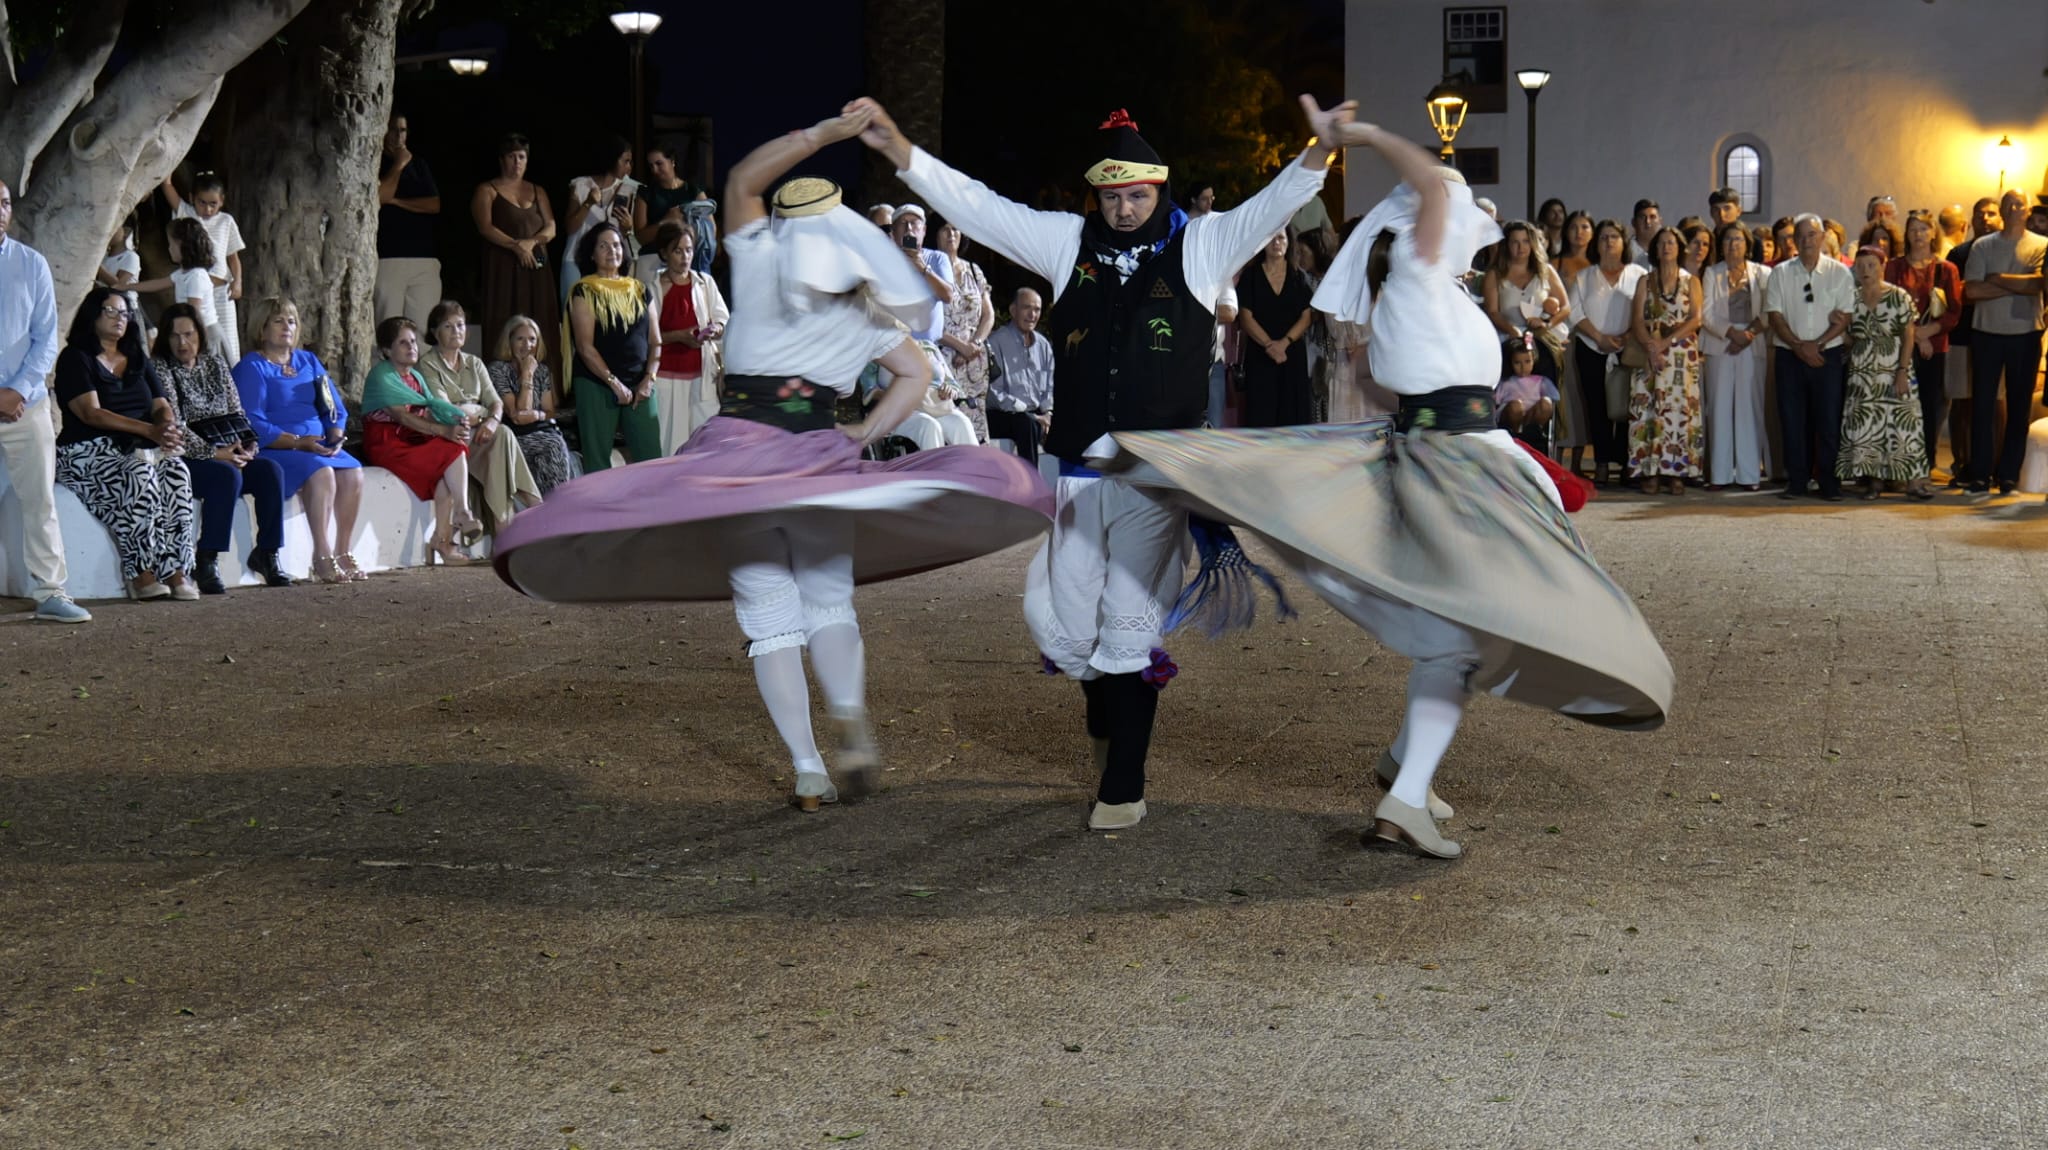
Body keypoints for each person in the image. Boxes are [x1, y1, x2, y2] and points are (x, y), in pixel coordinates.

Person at [1112, 119, 1672, 859]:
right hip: (1457, 466)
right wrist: (1373, 137)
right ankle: (1404, 797)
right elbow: (1427, 188)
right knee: (1466, 637)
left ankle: (1406, 766)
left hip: (1442, 454)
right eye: (1460, 201)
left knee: (1461, 630)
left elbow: (1387, 387)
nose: (1478, 214)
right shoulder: (1421, 254)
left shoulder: (1419, 284)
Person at [493, 107, 1052, 813]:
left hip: (740, 456)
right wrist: (864, 429)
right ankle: (848, 714)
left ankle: (809, 767)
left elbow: (744, 175)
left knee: (769, 618)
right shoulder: (864, 312)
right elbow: (914, 378)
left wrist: (822, 135)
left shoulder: (759, 255)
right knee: (828, 600)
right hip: (820, 457)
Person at [866, 93, 1347, 831]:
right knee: (1055, 616)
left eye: (1137, 195)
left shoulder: (1202, 245)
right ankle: (1105, 711)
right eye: (1112, 196)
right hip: (1080, 472)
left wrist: (1317, 156)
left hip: (1154, 477)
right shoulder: (1067, 243)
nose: (1123, 208)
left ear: (1159, 187)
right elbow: (981, 206)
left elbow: (1269, 205)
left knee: (1129, 619)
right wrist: (903, 152)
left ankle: (1124, 783)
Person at [53, 286, 198, 600]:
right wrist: (148, 430)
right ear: (93, 315)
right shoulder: (75, 358)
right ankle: (141, 573)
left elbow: (161, 404)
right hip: (87, 451)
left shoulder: (136, 357)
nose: (120, 318)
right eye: (111, 311)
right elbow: (91, 413)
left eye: (125, 312)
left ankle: (175, 570)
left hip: (139, 446)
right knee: (140, 475)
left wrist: (166, 427)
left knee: (177, 472)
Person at [153, 303, 292, 593]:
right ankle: (206, 559)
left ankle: (268, 553)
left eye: (189, 334)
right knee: (225, 475)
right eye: (175, 336)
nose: (183, 343)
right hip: (186, 456)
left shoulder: (215, 363)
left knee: (269, 470)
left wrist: (248, 448)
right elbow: (175, 425)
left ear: (200, 335)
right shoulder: (161, 369)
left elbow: (238, 412)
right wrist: (216, 454)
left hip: (227, 449)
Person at [0, 181, 91, 622]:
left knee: (39, 501)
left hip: (26, 403)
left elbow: (46, 337)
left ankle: (51, 593)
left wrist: (17, 391)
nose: (0, 211)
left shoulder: (30, 264)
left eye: (3, 203)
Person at [233, 297, 366, 582]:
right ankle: (321, 555)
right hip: (279, 446)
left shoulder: (308, 361)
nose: (287, 327)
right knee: (323, 473)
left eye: (291, 321)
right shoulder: (252, 367)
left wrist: (335, 434)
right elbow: (252, 420)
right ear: (262, 328)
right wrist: (297, 441)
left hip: (316, 444)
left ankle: (343, 551)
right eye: (278, 321)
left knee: (353, 472)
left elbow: (332, 406)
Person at [362, 317, 481, 565]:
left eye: (413, 342)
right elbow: (402, 416)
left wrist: (456, 421)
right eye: (403, 343)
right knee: (448, 453)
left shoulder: (415, 376)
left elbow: (427, 410)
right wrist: (443, 430)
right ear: (387, 351)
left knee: (452, 454)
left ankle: (446, 533)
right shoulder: (381, 375)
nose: (411, 347)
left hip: (411, 437)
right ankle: (451, 532)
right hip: (387, 441)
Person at [418, 300, 541, 527]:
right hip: (451, 434)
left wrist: (492, 421)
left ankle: (506, 524)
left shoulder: (474, 363)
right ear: (435, 332)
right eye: (448, 326)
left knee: (501, 433)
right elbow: (446, 409)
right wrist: (484, 415)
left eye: (461, 325)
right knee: (503, 438)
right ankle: (531, 505)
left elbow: (495, 402)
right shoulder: (427, 365)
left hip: (481, 434)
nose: (456, 331)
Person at [1960, 189, 2047, 496]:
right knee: (1982, 405)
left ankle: (2008, 475)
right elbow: (1971, 292)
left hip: (2026, 335)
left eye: (2019, 205)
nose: (2013, 209)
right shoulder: (1983, 245)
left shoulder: (2042, 245)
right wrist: (2016, 284)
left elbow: (2039, 284)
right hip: (1986, 334)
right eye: (2008, 205)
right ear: (2002, 210)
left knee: (2020, 408)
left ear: (2027, 212)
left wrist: (1995, 278)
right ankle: (1980, 474)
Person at [1765, 214, 1856, 501]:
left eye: (1812, 235)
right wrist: (1799, 346)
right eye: (1800, 235)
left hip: (1827, 356)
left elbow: (1845, 317)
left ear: (1822, 237)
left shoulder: (1839, 272)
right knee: (1792, 420)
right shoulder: (1780, 272)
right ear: (1793, 240)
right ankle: (1797, 481)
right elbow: (1775, 316)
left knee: (1828, 420)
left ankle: (1829, 482)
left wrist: (1816, 345)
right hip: (1789, 356)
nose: (1806, 241)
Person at [1838, 246, 1932, 501]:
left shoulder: (1898, 295)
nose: (1866, 270)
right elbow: (1848, 338)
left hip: (1893, 365)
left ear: (1882, 266)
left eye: (1872, 265)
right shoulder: (1851, 298)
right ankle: (1874, 482)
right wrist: (1838, 327)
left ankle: (1914, 482)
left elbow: (1908, 334)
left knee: (1904, 421)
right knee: (1869, 423)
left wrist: (1902, 370)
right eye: (1861, 265)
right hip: (1863, 368)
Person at [567, 222, 662, 472]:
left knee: (652, 459)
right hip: (597, 384)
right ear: (592, 254)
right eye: (604, 246)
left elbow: (656, 342)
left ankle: (654, 511)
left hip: (641, 384)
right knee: (597, 463)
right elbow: (585, 347)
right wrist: (614, 382)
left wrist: (649, 380)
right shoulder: (584, 290)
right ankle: (598, 511)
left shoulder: (640, 289)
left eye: (617, 245)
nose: (613, 251)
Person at [473, 134, 562, 381]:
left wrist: (531, 243)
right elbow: (485, 227)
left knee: (541, 318)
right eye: (512, 157)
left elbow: (551, 226)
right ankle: (501, 386)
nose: (517, 162)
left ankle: (548, 387)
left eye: (521, 157)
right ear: (502, 160)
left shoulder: (537, 190)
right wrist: (515, 246)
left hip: (535, 265)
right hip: (504, 265)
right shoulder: (487, 189)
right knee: (504, 319)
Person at [1568, 218, 1646, 485]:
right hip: (1591, 347)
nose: (1609, 241)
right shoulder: (1584, 276)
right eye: (1603, 237)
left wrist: (1626, 336)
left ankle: (1626, 464)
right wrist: (1599, 337)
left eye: (1614, 236)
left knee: (1627, 406)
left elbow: (1645, 311)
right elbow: (1574, 312)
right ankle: (1601, 462)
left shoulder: (1637, 275)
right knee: (1597, 406)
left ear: (1624, 242)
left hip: (1629, 347)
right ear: (1596, 244)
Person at [1627, 226, 1705, 493]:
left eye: (1671, 243)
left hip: (1681, 354)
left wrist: (1666, 342)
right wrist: (1651, 346)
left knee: (1679, 412)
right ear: (1654, 250)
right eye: (1661, 243)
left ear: (1680, 248)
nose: (1666, 247)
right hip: (1650, 352)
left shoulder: (1691, 281)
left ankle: (1678, 472)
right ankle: (1649, 470)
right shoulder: (1644, 281)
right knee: (1649, 410)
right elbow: (1636, 319)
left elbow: (1696, 319)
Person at [641, 220, 729, 454]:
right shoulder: (653, 288)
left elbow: (721, 316)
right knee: (670, 436)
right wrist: (678, 336)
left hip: (702, 372)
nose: (684, 256)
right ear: (664, 253)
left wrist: (715, 329)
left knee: (705, 435)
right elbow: (648, 334)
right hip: (668, 373)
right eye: (678, 251)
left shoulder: (704, 282)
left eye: (688, 250)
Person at [1886, 213, 1962, 474]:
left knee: (1929, 407)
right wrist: (1917, 336)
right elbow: (1890, 307)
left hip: (1934, 348)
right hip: (1900, 347)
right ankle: (1898, 463)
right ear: (1906, 235)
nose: (1918, 234)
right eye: (1913, 230)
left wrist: (1929, 333)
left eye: (1923, 229)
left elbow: (1954, 311)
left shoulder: (1945, 269)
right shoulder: (1894, 267)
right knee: (1900, 404)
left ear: (1933, 234)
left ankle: (1924, 464)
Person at [1700, 222, 1773, 489]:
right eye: (1729, 240)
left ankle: (1749, 474)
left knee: (1749, 408)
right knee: (1718, 408)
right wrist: (1732, 333)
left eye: (1739, 240)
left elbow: (1769, 309)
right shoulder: (1712, 273)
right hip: (1721, 343)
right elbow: (1705, 314)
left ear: (1747, 244)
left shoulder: (1763, 273)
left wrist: (1748, 335)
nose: (1733, 245)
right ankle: (1719, 475)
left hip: (1752, 344)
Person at [1943, 197, 2002, 485]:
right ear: (1972, 220)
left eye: (1992, 213)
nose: (1986, 218)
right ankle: (1963, 463)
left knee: (1996, 404)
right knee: (1963, 404)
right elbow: (1955, 295)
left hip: (1998, 335)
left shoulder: (2007, 251)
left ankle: (1995, 464)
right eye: (1980, 214)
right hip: (1963, 336)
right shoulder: (1959, 253)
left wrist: (1982, 288)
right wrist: (1998, 287)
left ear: (2000, 219)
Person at [161, 170, 246, 361]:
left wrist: (238, 282)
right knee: (199, 337)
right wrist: (168, 173)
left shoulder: (226, 221)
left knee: (227, 341)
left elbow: (233, 258)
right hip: (195, 292)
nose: (207, 209)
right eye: (202, 203)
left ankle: (231, 381)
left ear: (222, 201)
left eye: (213, 204)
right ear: (192, 199)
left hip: (222, 292)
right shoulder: (188, 215)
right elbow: (168, 188)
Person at [487, 316, 574, 497]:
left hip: (543, 431)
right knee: (553, 445)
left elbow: (549, 411)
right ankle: (555, 506)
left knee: (555, 445)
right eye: (520, 339)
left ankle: (554, 506)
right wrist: (527, 373)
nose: (527, 345)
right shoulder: (497, 370)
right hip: (514, 435)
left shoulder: (541, 370)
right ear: (509, 341)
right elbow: (517, 415)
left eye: (532, 339)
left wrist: (538, 415)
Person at [1237, 231, 1316, 427]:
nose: (1276, 243)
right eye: (1272, 237)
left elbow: (1307, 316)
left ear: (1289, 242)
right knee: (1261, 417)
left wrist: (1284, 343)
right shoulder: (1251, 275)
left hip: (1291, 356)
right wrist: (1269, 345)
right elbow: (1245, 317)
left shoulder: (1298, 275)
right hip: (1261, 355)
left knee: (1293, 417)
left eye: (1281, 238)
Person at [375, 112, 442, 332]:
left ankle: (417, 369)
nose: (397, 136)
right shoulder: (376, 162)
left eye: (402, 130)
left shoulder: (419, 165)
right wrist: (399, 164)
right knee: (388, 327)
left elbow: (433, 205)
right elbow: (382, 197)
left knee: (422, 328)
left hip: (423, 256)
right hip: (388, 256)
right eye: (392, 129)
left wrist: (397, 201)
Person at [932, 217, 995, 442]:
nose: (951, 234)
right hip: (942, 359)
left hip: (974, 363)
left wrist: (974, 345)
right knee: (950, 424)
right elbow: (924, 322)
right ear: (935, 233)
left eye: (956, 229)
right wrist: (960, 347)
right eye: (945, 229)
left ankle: (979, 475)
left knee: (976, 424)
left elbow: (988, 315)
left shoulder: (973, 270)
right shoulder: (928, 268)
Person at [559, 137, 635, 302]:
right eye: (625, 161)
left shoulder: (627, 189)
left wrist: (627, 227)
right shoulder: (581, 185)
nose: (629, 167)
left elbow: (623, 234)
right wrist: (588, 203)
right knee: (574, 310)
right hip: (575, 258)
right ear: (612, 159)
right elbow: (570, 227)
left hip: (607, 261)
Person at [985, 287, 1055, 464]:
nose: (1032, 314)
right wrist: (1030, 414)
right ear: (1013, 310)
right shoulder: (996, 342)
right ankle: (1032, 486)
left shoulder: (1043, 345)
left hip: (1035, 414)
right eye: (1027, 308)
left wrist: (1048, 412)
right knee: (1027, 423)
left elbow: (1050, 385)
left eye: (1037, 309)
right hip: (1003, 413)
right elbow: (993, 392)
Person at [632, 142, 706, 281]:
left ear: (672, 162)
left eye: (659, 163)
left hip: (687, 260)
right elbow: (641, 237)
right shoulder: (645, 193)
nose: (655, 170)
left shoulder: (693, 192)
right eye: (651, 166)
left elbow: (710, 230)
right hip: (653, 259)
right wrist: (666, 221)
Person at [889, 205, 954, 340]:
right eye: (902, 223)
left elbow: (948, 296)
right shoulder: (884, 261)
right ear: (893, 232)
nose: (909, 228)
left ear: (924, 230)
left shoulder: (937, 258)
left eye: (914, 223)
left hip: (929, 348)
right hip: (894, 346)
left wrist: (921, 266)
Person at [167, 218, 228, 351]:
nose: (169, 248)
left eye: (171, 244)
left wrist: (195, 338)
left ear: (182, 245)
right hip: (193, 329)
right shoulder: (182, 273)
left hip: (204, 332)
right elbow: (157, 284)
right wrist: (125, 286)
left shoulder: (196, 276)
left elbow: (194, 312)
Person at [1496, 340, 1557, 447]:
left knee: (1546, 403)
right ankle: (1515, 435)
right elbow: (1495, 402)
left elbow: (1554, 398)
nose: (1523, 367)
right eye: (1517, 363)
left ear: (1534, 360)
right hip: (1510, 417)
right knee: (1516, 407)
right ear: (1511, 363)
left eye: (1527, 361)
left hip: (1531, 417)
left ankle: (1535, 431)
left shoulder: (1541, 381)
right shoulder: (1506, 382)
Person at [1555, 210, 1594, 283]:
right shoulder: (1555, 264)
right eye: (1573, 227)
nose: (1579, 232)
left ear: (1592, 232)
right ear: (1566, 232)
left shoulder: (1600, 263)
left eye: (1584, 227)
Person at [1629, 199, 1662, 267]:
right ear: (1633, 222)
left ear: (1660, 221)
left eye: (1652, 217)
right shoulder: (1624, 251)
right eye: (1642, 217)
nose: (1648, 222)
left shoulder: (1666, 250)